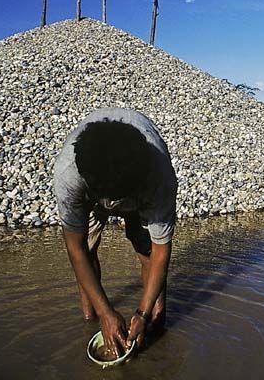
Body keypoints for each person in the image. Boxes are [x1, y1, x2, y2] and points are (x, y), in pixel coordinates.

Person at [53, 108, 178, 359]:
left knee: (146, 251)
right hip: (94, 183)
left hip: (138, 183)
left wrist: (142, 314)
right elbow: (75, 250)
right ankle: (92, 318)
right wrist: (106, 314)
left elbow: (160, 252)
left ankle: (155, 322)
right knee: (87, 250)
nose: (113, 206)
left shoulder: (158, 176)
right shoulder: (69, 176)